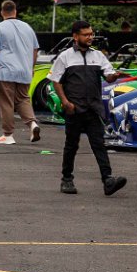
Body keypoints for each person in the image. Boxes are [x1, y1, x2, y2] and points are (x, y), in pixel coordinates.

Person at [48, 20, 127, 196]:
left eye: (91, 34)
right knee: (71, 145)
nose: (90, 37)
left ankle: (108, 180)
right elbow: (56, 81)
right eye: (86, 35)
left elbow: (108, 77)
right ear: (75, 37)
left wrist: (115, 76)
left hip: (93, 108)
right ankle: (66, 179)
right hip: (74, 109)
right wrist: (65, 102)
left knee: (99, 144)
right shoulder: (65, 57)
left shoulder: (98, 56)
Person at [0, 0, 42, 146]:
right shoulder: (28, 27)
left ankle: (8, 135)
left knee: (6, 102)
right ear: (15, 11)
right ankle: (32, 124)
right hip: (24, 71)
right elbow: (35, 50)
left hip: (6, 71)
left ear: (2, 12)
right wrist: (31, 68)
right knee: (23, 99)